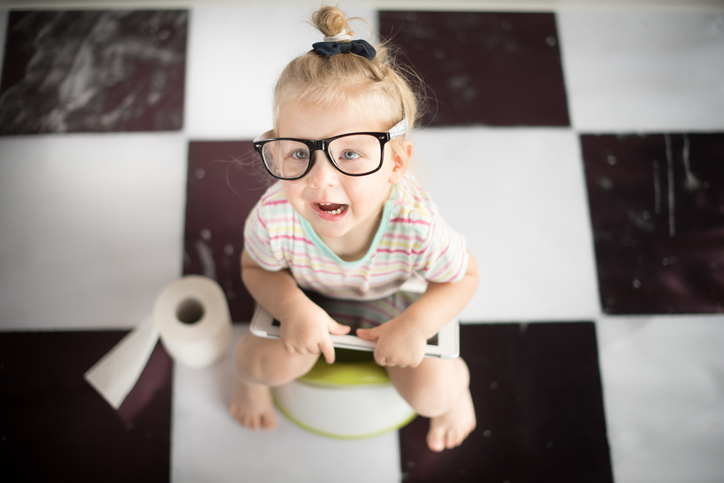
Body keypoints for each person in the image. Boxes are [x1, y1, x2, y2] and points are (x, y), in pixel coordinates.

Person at [230, 5, 478, 453]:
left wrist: (417, 324)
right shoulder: (276, 215)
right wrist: (291, 307)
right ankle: (253, 386)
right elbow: (255, 269)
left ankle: (457, 397)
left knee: (432, 390)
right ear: (277, 149)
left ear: (396, 163)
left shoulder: (415, 223)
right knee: (255, 360)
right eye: (299, 153)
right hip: (310, 299)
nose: (321, 181)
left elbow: (463, 277)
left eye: (349, 155)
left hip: (393, 306)